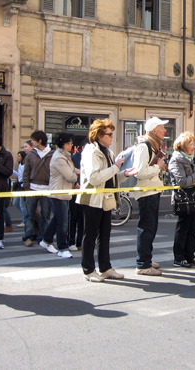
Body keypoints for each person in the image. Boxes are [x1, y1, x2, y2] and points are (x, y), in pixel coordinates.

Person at [76, 119, 135, 282]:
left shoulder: (108, 152)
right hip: (93, 199)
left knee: (105, 235)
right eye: (109, 134)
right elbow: (95, 178)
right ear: (99, 135)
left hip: (106, 199)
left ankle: (106, 268)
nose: (111, 137)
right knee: (90, 235)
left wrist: (124, 174)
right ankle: (88, 270)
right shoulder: (91, 152)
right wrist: (116, 168)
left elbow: (111, 177)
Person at [129, 117, 167, 276]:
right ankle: (143, 264)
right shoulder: (144, 147)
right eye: (161, 128)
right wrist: (157, 168)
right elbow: (140, 172)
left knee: (151, 228)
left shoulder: (150, 145)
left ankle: (146, 259)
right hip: (146, 192)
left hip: (152, 191)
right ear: (153, 130)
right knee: (146, 228)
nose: (164, 131)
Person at [168, 132, 195, 268]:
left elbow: (190, 178)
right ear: (183, 146)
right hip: (183, 198)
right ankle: (179, 257)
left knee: (192, 228)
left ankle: (190, 255)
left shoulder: (188, 158)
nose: (194, 147)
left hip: (192, 196)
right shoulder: (176, 159)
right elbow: (182, 181)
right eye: (191, 144)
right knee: (183, 228)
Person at [44, 133, 79, 258]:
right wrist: (77, 177)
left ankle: (46, 240)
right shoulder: (59, 157)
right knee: (63, 221)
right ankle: (62, 247)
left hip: (63, 191)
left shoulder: (65, 156)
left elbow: (73, 170)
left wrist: (82, 172)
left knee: (58, 218)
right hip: (58, 192)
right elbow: (70, 176)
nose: (72, 145)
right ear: (65, 145)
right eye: (70, 143)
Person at [22, 130, 54, 247]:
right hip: (32, 188)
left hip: (47, 188)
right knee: (29, 214)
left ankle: (42, 237)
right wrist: (26, 187)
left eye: (33, 140)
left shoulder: (51, 154)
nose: (31, 142)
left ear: (39, 141)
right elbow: (26, 172)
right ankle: (28, 236)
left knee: (46, 215)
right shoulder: (31, 154)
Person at [68, 142, 84, 251]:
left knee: (82, 218)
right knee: (73, 217)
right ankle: (71, 241)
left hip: (85, 191)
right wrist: (75, 183)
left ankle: (79, 242)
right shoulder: (74, 158)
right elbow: (70, 172)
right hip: (75, 190)